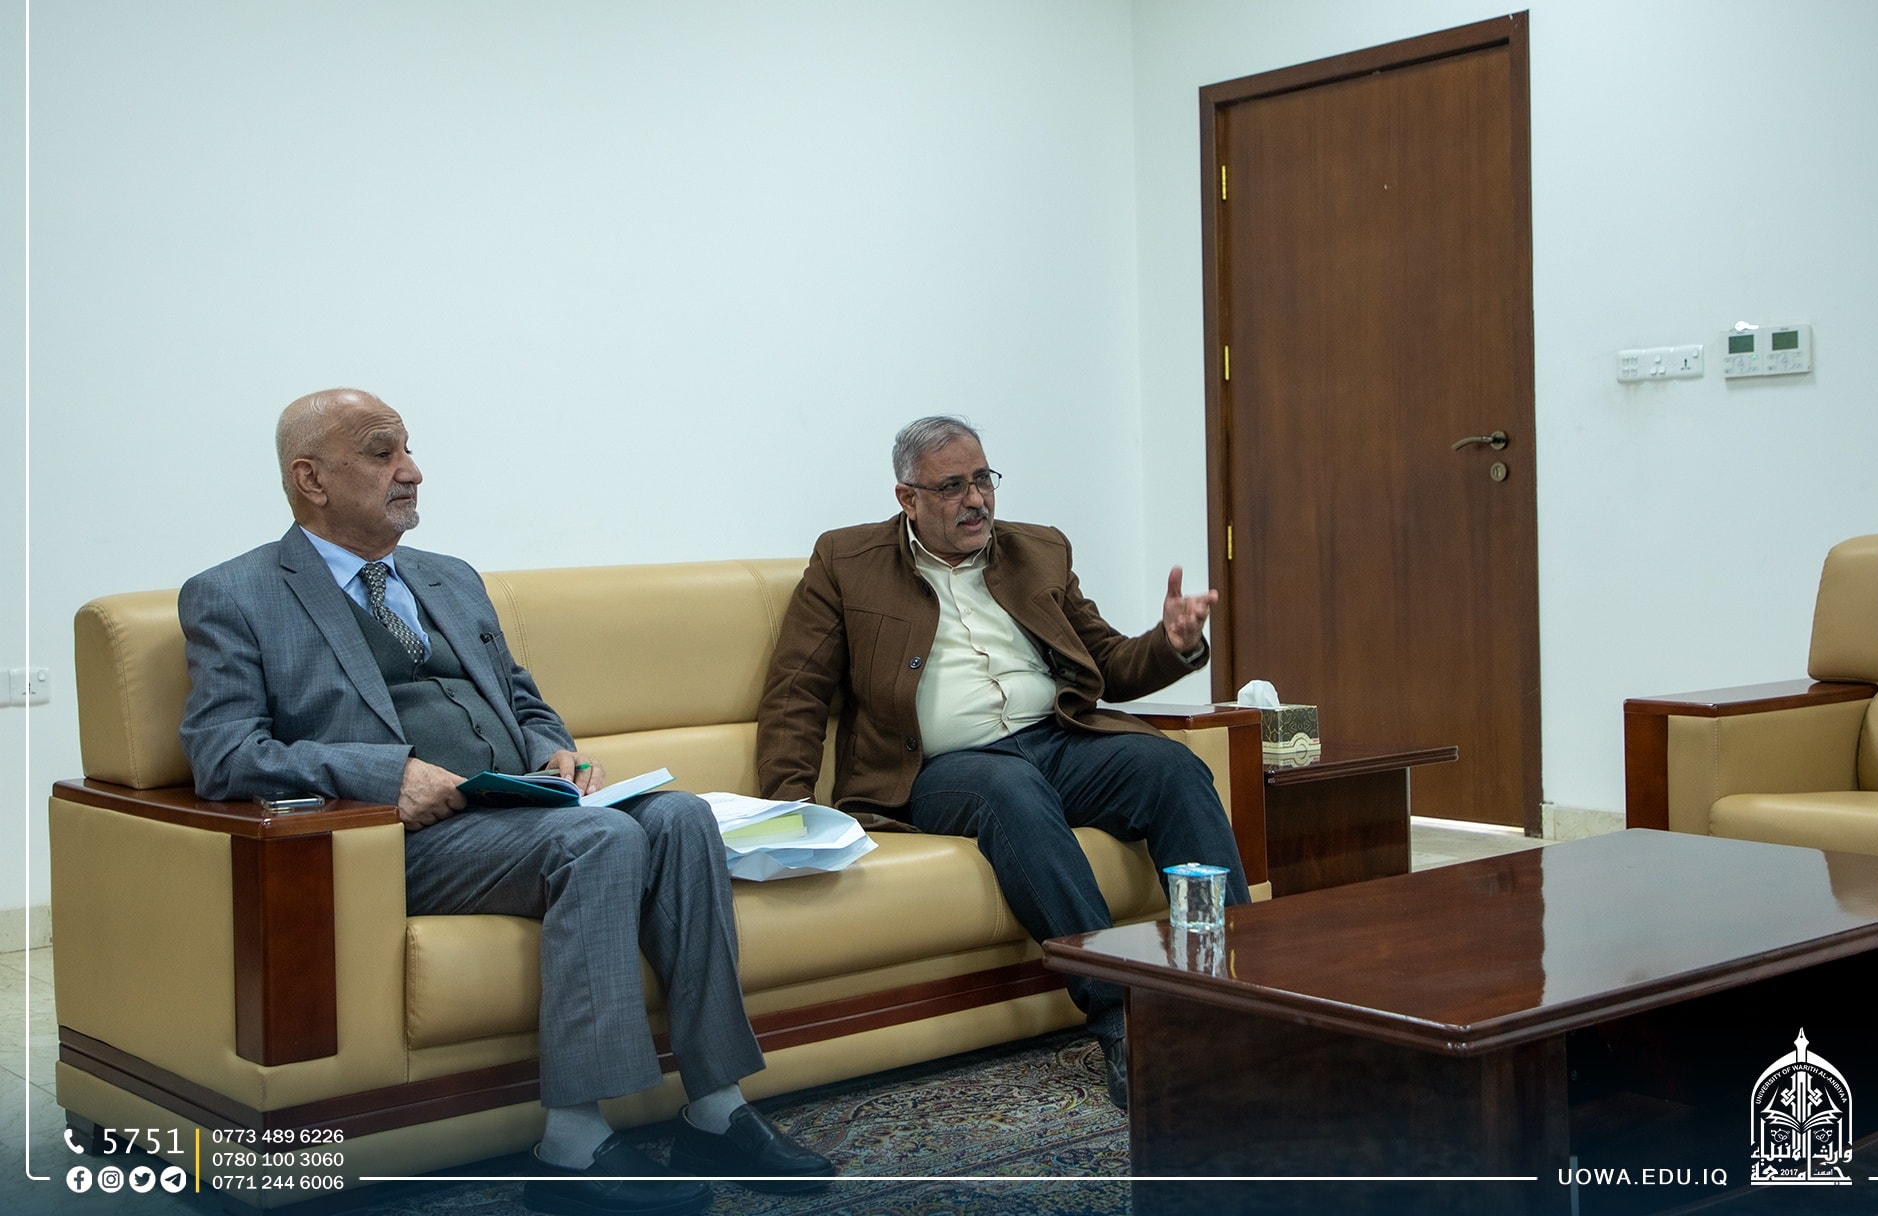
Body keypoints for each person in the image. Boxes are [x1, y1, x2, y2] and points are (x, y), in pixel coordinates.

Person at [178, 389, 833, 1216]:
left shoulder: (449, 578)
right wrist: (385, 774)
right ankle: (572, 1147)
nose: (412, 471)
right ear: (310, 478)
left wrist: (555, 750)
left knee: (680, 816)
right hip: (400, 840)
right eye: (382, 453)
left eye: (408, 449)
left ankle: (715, 1108)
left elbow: (523, 701)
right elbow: (223, 753)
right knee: (600, 843)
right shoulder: (236, 594)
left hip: (522, 814)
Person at [756, 414, 1250, 1110]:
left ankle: (1234, 997)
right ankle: (1123, 1019)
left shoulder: (1038, 550)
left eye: (983, 479)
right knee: (1011, 788)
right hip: (940, 769)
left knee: (1171, 768)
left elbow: (1108, 663)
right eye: (952, 487)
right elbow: (797, 690)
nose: (976, 500)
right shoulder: (846, 562)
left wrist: (1172, 643)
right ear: (907, 499)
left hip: (1057, 739)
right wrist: (789, 807)